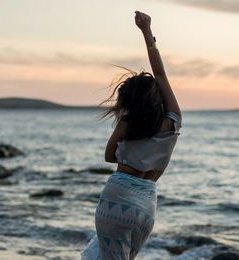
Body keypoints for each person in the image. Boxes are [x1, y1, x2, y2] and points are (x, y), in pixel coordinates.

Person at [81, 11, 182, 260]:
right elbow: (160, 75)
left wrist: (124, 126)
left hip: (117, 197)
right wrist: (147, 33)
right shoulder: (172, 122)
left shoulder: (127, 123)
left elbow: (108, 156)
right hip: (146, 206)